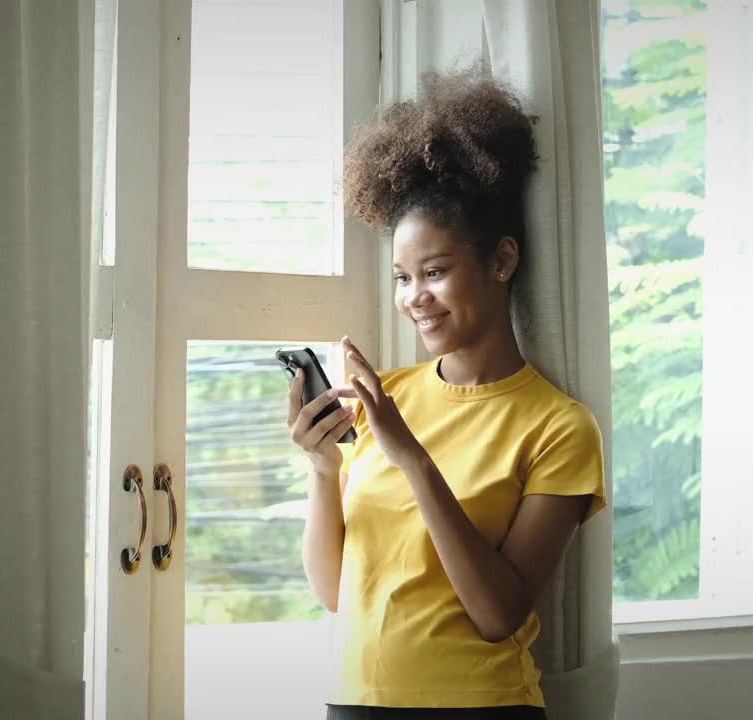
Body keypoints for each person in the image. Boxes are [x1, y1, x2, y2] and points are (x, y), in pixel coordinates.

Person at [287, 68, 606, 720]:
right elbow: (336, 592)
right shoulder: (385, 399)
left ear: (502, 261)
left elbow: (498, 614)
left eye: (435, 272)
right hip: (354, 704)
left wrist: (412, 457)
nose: (414, 299)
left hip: (482, 709)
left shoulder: (559, 428)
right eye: (403, 278)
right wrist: (323, 469)